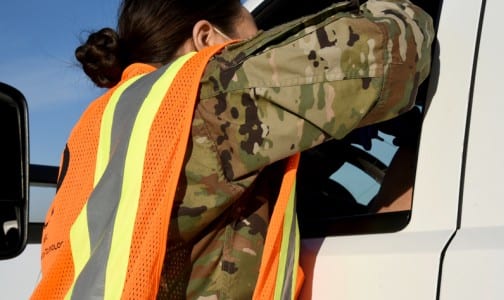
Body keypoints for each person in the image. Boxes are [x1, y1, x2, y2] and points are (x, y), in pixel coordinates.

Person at [31, 0, 434, 299]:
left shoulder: (99, 126)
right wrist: (394, 8)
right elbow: (393, 55)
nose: (262, 55)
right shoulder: (205, 92)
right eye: (256, 43)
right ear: (207, 39)